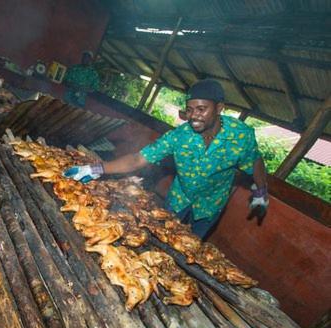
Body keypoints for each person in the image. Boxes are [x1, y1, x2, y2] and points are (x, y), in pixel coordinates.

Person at [64, 79, 269, 239]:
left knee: (191, 246)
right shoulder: (179, 136)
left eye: (201, 109)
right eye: (189, 110)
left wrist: (261, 191)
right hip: (179, 197)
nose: (193, 116)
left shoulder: (241, 135)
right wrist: (95, 169)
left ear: (219, 108)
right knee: (161, 233)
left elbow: (255, 162)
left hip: (211, 202)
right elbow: (137, 159)